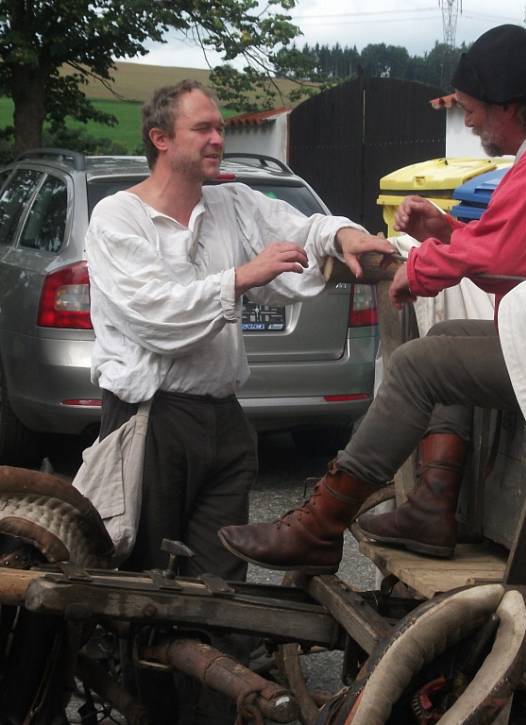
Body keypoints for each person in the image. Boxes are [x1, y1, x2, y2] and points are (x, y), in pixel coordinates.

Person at [217, 25, 526, 573]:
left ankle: (320, 525)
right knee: (445, 340)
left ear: (506, 106)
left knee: (416, 366)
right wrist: (446, 231)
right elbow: (524, 247)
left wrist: (420, 267)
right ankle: (433, 506)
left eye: (472, 108)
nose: (470, 121)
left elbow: (511, 255)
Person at [84, 79, 393, 724]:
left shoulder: (233, 204)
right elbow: (157, 316)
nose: (219, 138)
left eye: (220, 126)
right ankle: (150, 708)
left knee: (217, 585)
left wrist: (345, 238)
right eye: (203, 128)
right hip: (151, 419)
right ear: (160, 138)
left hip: (223, 419)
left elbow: (305, 228)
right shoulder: (118, 218)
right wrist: (240, 277)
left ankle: (213, 710)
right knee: (147, 584)